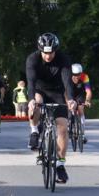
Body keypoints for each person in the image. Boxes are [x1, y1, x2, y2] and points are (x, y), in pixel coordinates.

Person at [25, 33, 77, 183]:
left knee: (63, 128)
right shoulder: (32, 59)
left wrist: (71, 99)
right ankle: (34, 131)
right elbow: (31, 82)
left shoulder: (63, 59)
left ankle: (60, 164)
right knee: (35, 103)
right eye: (45, 53)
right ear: (40, 50)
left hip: (57, 93)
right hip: (40, 91)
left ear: (55, 50)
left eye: (51, 53)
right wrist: (30, 100)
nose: (48, 56)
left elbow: (68, 82)